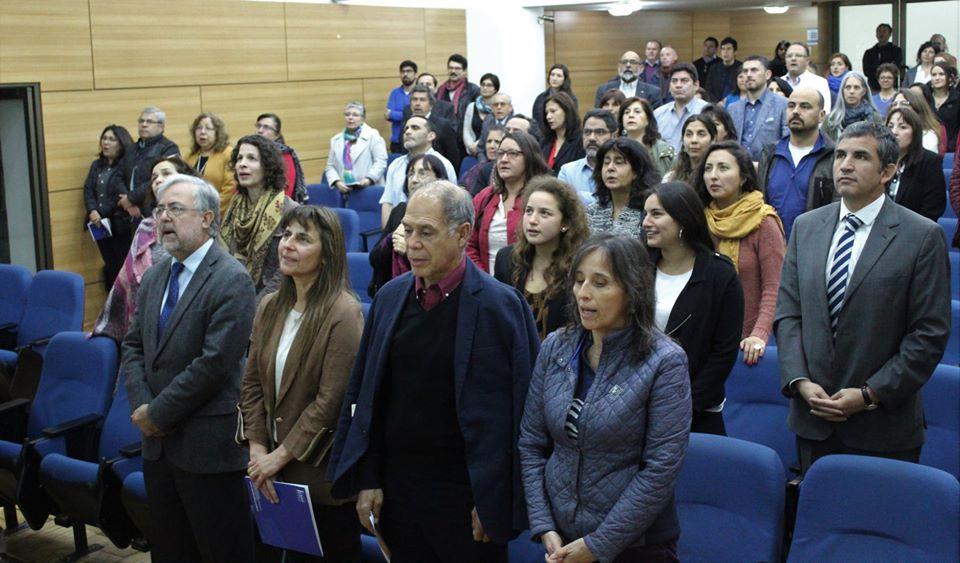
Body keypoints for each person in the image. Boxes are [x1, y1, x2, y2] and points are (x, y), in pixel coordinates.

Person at [327, 181, 540, 562]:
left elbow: (522, 414)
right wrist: (369, 478)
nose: (413, 243)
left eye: (426, 232)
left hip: (467, 497)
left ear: (461, 235)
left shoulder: (502, 308)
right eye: (408, 230)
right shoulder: (391, 297)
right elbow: (368, 397)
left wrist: (494, 500)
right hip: (398, 491)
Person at [774, 121, 951, 475]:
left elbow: (928, 334)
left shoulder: (921, 236)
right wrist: (800, 381)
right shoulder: (807, 227)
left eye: (859, 156)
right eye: (840, 154)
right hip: (814, 418)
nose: (845, 165)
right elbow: (789, 314)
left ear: (887, 171)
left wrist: (870, 394)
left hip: (883, 427)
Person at [519, 233, 692, 563]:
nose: (583, 294)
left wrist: (598, 545)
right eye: (579, 280)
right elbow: (531, 442)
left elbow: (660, 469)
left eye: (600, 283)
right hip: (562, 538)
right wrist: (543, 524)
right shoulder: (556, 346)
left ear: (632, 291)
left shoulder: (665, 361)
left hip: (637, 546)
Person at [122, 174, 256, 563]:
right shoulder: (156, 274)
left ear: (208, 219)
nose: (163, 218)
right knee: (170, 550)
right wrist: (144, 407)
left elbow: (214, 364)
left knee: (219, 552)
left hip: (207, 449)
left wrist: (158, 413)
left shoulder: (231, 279)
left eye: (176, 209)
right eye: (160, 209)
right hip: (158, 448)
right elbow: (133, 345)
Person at [239, 205, 364, 562]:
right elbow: (250, 385)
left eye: (303, 239)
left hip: (317, 476)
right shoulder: (269, 306)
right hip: (267, 472)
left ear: (327, 256)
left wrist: (278, 457)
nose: (288, 245)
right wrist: (258, 450)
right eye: (286, 235)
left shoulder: (344, 312)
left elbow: (331, 402)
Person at [643, 182, 744, 432]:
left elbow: (724, 353)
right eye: (645, 214)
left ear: (683, 219)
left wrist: (684, 405)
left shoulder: (720, 275)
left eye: (656, 214)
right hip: (638, 406)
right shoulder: (639, 268)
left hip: (696, 412)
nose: (645, 222)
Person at [694, 141, 786, 362]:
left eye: (723, 168)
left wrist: (759, 334)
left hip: (748, 343)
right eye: (708, 169)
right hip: (706, 338)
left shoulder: (764, 221)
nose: (713, 176)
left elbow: (774, 287)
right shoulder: (700, 218)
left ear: (743, 177)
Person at [93, 156, 197, 343]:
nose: (158, 179)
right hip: (144, 317)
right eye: (154, 177)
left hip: (185, 320)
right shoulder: (146, 227)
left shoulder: (197, 225)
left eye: (166, 174)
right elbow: (126, 277)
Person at [494, 177, 588, 340]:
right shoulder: (506, 259)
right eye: (529, 211)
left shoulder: (579, 269)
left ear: (565, 223)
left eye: (544, 213)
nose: (532, 221)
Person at [221, 135, 298, 299]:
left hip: (271, 296)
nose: (242, 164)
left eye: (251, 158)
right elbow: (222, 254)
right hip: (232, 289)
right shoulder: (235, 206)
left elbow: (286, 271)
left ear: (267, 166)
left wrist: (256, 305)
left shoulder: (288, 209)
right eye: (239, 158)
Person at [757, 87, 837, 240]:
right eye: (791, 105)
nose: (796, 111)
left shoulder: (833, 155)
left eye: (805, 106)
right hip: (772, 246)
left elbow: (837, 205)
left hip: (815, 245)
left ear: (821, 116)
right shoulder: (770, 153)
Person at [468, 130, 550, 272]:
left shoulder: (542, 197)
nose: (504, 159)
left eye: (513, 154)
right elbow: (468, 243)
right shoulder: (485, 197)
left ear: (530, 157)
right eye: (501, 153)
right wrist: (484, 279)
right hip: (484, 283)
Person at [369, 153, 448, 297]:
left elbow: (445, 263)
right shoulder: (400, 211)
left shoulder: (446, 215)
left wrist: (409, 251)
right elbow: (374, 259)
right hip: (392, 293)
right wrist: (391, 240)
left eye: (422, 173)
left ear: (439, 180)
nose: (414, 179)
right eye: (410, 174)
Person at [379, 116, 457, 226]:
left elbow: (450, 207)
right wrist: (387, 237)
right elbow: (388, 203)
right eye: (406, 129)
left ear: (431, 136)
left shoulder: (443, 164)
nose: (408, 132)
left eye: (415, 128)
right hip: (396, 232)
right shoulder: (396, 165)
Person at [84, 124, 134, 289]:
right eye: (104, 138)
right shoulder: (96, 165)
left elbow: (120, 196)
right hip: (98, 224)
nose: (106, 142)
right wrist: (92, 210)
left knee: (122, 265)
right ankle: (113, 301)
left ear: (121, 143)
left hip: (119, 224)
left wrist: (101, 212)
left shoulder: (126, 167)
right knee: (109, 263)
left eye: (111, 139)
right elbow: (89, 189)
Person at [115, 106, 180, 219]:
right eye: (141, 121)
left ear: (161, 127)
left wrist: (131, 198)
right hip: (129, 212)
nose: (144, 124)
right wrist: (127, 202)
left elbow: (165, 178)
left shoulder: (169, 148)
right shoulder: (131, 149)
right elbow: (118, 176)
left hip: (155, 209)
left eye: (149, 121)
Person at [586, 138, 659, 237]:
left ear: (636, 171)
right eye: (606, 162)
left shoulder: (649, 212)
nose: (610, 168)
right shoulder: (591, 212)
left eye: (619, 162)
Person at [886, 108, 946, 221]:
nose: (894, 132)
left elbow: (933, 207)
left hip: (915, 231)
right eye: (890, 126)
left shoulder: (929, 161)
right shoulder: (882, 160)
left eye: (902, 127)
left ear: (915, 132)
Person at [728, 56, 790, 160]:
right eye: (745, 71)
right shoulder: (733, 109)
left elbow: (787, 142)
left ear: (767, 75)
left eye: (754, 70)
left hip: (770, 168)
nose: (748, 75)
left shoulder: (783, 104)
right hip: (739, 169)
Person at [324, 101, 388, 195]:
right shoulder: (336, 140)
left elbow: (381, 162)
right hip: (344, 191)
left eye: (355, 115)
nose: (350, 118)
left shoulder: (373, 136)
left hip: (369, 189)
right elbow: (330, 166)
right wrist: (337, 182)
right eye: (347, 114)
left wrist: (369, 179)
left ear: (363, 118)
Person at [557, 109, 617, 204]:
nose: (592, 138)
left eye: (600, 132)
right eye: (587, 132)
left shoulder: (622, 170)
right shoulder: (568, 172)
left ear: (614, 136)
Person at [182, 112, 235, 218]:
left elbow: (230, 188)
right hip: (191, 213)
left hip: (218, 214)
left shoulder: (228, 153)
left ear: (217, 132)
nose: (202, 132)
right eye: (199, 128)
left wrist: (209, 212)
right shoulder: (190, 156)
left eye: (208, 128)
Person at [654, 63, 709, 151]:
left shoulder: (707, 111)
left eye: (684, 81)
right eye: (674, 81)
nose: (678, 85)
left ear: (696, 85)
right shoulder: (658, 114)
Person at [254, 113, 307, 204]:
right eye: (258, 126)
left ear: (277, 135)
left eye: (266, 127)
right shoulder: (252, 152)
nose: (260, 130)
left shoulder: (284, 155)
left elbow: (286, 193)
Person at [407, 84, 461, 168]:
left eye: (422, 100)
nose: (417, 103)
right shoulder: (406, 125)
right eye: (414, 99)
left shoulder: (443, 125)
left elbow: (453, 156)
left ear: (431, 105)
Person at [620, 97, 676, 176]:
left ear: (648, 119)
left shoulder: (664, 151)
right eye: (626, 112)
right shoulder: (615, 148)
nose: (631, 115)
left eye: (637, 112)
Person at [824, 72, 884, 143]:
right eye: (848, 87)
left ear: (864, 91)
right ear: (843, 91)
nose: (851, 91)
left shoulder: (875, 118)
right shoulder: (831, 120)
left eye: (856, 87)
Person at [594, 51, 661, 107]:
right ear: (619, 67)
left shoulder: (653, 92)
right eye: (624, 62)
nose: (628, 65)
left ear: (641, 68)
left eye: (633, 62)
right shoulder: (604, 90)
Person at [540, 91, 585, 174]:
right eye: (546, 113)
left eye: (553, 111)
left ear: (567, 111)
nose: (548, 116)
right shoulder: (545, 142)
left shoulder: (581, 140)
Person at [663, 115, 717, 184]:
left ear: (713, 139)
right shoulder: (670, 179)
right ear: (683, 140)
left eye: (701, 134)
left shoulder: (716, 178)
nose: (694, 140)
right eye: (689, 134)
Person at [891, 88, 946, 154]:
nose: (897, 107)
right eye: (894, 104)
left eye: (904, 103)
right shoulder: (887, 131)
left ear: (917, 108)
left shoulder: (928, 137)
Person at [782, 43, 832, 110]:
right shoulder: (778, 82)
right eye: (789, 56)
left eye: (798, 55)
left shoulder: (819, 82)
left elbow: (825, 111)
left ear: (807, 60)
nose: (793, 59)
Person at [462, 74, 501, 157]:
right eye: (483, 84)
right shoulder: (472, 106)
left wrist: (478, 145)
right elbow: (466, 130)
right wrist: (470, 146)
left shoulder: (499, 107)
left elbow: (498, 129)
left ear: (495, 89)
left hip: (493, 151)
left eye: (489, 85)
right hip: (472, 151)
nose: (485, 88)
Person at [436, 53, 481, 122]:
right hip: (444, 130)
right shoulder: (441, 90)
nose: (453, 71)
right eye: (450, 68)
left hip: (464, 130)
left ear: (464, 71)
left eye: (457, 68)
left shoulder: (473, 90)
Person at [925, 62, 960, 152]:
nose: (937, 78)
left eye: (941, 74)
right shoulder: (924, 98)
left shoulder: (957, 99)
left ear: (949, 77)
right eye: (934, 75)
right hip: (927, 148)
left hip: (951, 150)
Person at [386, 60, 418, 153]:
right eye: (403, 71)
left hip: (416, 140)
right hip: (397, 141)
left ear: (415, 74)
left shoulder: (419, 93)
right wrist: (408, 114)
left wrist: (394, 114)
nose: (405, 74)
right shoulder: (395, 92)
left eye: (409, 71)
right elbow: (387, 115)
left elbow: (418, 115)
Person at [533, 64, 578, 129]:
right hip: (542, 136)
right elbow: (535, 121)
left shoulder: (571, 98)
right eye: (552, 75)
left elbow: (573, 121)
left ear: (564, 79)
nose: (554, 78)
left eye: (559, 76)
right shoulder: (540, 98)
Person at [462, 124, 504, 195]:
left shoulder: (506, 171)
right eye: (489, 141)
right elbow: (462, 186)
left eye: (497, 142)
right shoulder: (477, 168)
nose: (491, 146)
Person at [863, 23, 903, 92]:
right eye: (879, 31)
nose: (881, 34)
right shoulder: (869, 52)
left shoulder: (896, 51)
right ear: (876, 34)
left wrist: (877, 68)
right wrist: (886, 67)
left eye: (884, 31)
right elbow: (866, 71)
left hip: (891, 87)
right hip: (873, 87)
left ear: (890, 34)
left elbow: (895, 68)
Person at [474, 92, 513, 163]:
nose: (499, 107)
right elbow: (480, 149)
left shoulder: (514, 124)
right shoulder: (487, 122)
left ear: (510, 108)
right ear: (491, 108)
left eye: (502, 104)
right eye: (496, 105)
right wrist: (483, 163)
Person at [705, 37, 742, 102]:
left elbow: (743, 89)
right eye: (723, 49)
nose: (725, 52)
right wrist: (717, 103)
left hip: (736, 103)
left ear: (735, 52)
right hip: (716, 105)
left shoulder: (741, 67)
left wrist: (729, 101)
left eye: (729, 49)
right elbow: (708, 90)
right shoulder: (714, 68)